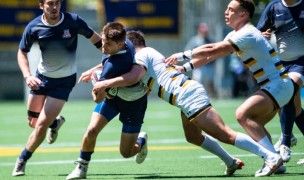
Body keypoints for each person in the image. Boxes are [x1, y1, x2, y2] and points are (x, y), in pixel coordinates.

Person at [93, 29, 284, 177]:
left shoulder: (140, 55)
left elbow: (134, 76)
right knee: (192, 136)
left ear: (131, 45)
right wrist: (96, 71)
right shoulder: (146, 54)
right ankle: (230, 162)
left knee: (224, 133)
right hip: (186, 95)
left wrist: (105, 82)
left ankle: (271, 157)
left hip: (187, 95)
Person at [166, 0, 294, 174]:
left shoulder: (247, 33)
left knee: (242, 114)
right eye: (226, 9)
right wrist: (185, 68)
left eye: (231, 10)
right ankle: (275, 160)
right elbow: (211, 56)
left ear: (243, 14)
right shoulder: (236, 34)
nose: (226, 12)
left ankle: (272, 159)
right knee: (255, 125)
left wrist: (182, 55)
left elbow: (213, 48)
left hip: (278, 84)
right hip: (276, 85)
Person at [12, 0, 104, 177]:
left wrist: (113, 58)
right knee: (33, 123)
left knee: (41, 125)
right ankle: (56, 122)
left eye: (57, 3)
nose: (54, 8)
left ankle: (22, 159)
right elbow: (22, 52)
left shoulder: (73, 21)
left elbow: (98, 41)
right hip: (41, 78)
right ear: (42, 6)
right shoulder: (34, 27)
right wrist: (27, 76)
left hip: (64, 81)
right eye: (50, 4)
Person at [66, 22, 150, 180]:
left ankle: (141, 141)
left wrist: (97, 84)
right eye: (103, 40)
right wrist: (93, 71)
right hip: (114, 96)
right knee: (91, 131)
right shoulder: (126, 42)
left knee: (126, 153)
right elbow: (107, 58)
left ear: (120, 44)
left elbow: (97, 98)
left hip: (133, 102)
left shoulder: (113, 67)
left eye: (108, 44)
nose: (103, 46)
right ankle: (81, 168)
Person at [257, 0, 304, 163]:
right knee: (296, 109)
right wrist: (262, 35)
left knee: (288, 92)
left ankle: (285, 142)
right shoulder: (273, 7)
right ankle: (288, 138)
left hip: (301, 62)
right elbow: (258, 32)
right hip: (280, 64)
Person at [184, 23, 217, 97]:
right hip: (199, 66)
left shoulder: (210, 40)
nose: (204, 33)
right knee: (197, 82)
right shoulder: (195, 40)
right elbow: (188, 51)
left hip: (209, 65)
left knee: (210, 82)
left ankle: (213, 96)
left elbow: (215, 52)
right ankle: (197, 96)